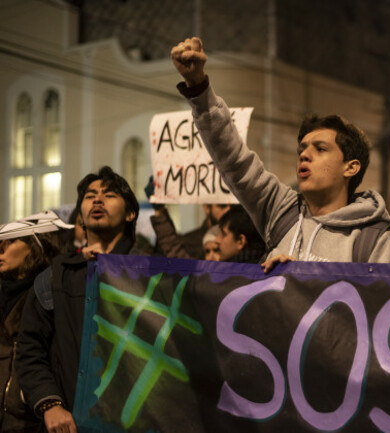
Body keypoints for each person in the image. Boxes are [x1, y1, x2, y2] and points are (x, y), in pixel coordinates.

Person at [170, 37, 390, 271]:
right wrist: (198, 88)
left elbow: (382, 307)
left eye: (320, 149)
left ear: (351, 167)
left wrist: (299, 283)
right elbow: (233, 158)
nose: (304, 155)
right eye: (302, 149)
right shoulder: (281, 211)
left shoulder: (375, 240)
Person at [17, 166, 142, 433]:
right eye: (90, 196)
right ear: (81, 219)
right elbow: (30, 351)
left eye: (108, 195)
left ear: (130, 213)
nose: (98, 200)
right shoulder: (55, 278)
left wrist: (254, 279)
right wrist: (50, 404)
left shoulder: (157, 275)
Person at [0, 212, 69, 432]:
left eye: (11, 241)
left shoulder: (49, 293)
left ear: (34, 247)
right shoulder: (3, 292)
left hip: (32, 418)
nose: (1, 248)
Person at [145, 176, 232, 259]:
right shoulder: (188, 243)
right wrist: (159, 210)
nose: (228, 210)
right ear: (206, 207)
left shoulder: (239, 241)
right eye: (222, 205)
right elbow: (175, 252)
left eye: (233, 206)